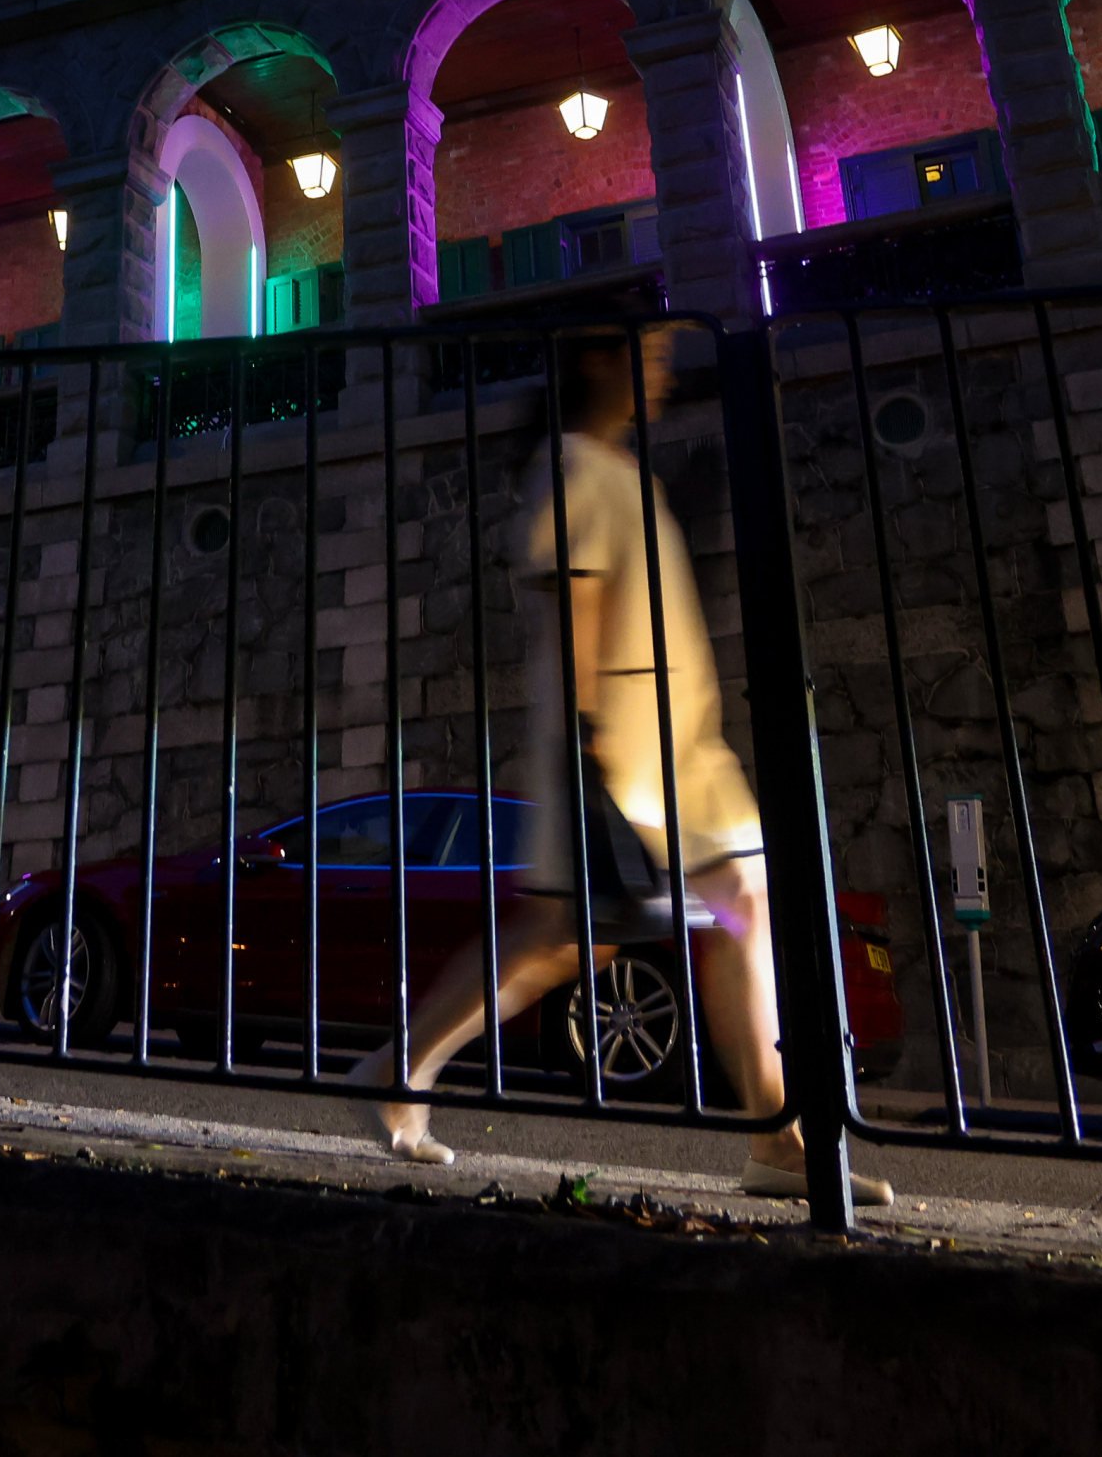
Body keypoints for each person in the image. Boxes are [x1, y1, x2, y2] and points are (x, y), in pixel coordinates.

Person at [351, 329, 886, 1204]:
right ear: (600, 359)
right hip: (628, 752)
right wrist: (593, 740)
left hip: (676, 749)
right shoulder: (576, 470)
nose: (666, 368)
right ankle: (399, 1068)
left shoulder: (612, 472)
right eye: (652, 351)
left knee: (711, 912)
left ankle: (778, 1137)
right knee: (568, 937)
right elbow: (575, 601)